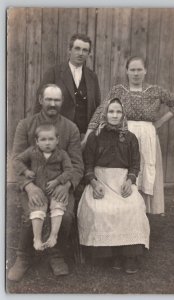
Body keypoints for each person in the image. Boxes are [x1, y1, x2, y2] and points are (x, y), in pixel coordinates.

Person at [82, 56, 174, 215]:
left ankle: (140, 214)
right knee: (127, 170)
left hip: (148, 138)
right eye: (132, 70)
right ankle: (123, 210)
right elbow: (101, 110)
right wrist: (89, 133)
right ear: (127, 71)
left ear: (145, 71)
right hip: (123, 136)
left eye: (139, 69)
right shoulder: (118, 90)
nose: (136, 73)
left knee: (144, 173)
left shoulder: (155, 91)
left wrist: (160, 122)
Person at [8, 84, 84, 281]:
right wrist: (28, 186)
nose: (52, 104)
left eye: (57, 100)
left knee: (65, 215)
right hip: (34, 185)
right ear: (40, 100)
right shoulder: (25, 125)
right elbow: (16, 159)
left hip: (61, 185)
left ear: (62, 102)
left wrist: (66, 185)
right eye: (48, 99)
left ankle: (56, 255)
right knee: (31, 213)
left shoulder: (71, 128)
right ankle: (23, 257)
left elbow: (77, 165)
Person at [77, 98, 150, 274]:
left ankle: (128, 255)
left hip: (121, 182)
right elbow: (87, 165)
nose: (115, 115)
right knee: (100, 209)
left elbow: (134, 165)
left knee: (133, 208)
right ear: (105, 114)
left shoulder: (131, 138)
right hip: (100, 181)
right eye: (111, 112)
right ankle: (110, 254)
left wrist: (130, 180)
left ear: (123, 114)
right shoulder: (95, 137)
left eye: (118, 112)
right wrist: (94, 183)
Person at [13, 123, 73, 251]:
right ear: (37, 141)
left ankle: (53, 236)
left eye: (51, 139)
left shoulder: (62, 154)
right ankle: (37, 238)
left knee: (58, 207)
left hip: (55, 190)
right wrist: (25, 171)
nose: (47, 143)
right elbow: (17, 161)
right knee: (37, 209)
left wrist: (58, 181)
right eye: (43, 139)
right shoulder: (32, 152)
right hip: (38, 190)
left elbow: (69, 171)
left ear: (57, 140)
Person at [33, 33, 101, 137]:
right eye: (77, 49)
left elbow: (97, 107)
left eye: (85, 50)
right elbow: (40, 104)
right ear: (70, 50)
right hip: (57, 133)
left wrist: (91, 135)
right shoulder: (54, 73)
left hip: (83, 136)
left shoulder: (92, 77)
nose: (81, 53)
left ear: (89, 54)